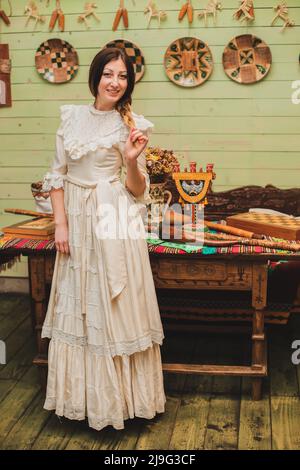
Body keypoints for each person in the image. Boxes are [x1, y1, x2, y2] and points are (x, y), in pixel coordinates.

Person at [41, 47, 166, 432]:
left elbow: (138, 190)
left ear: (130, 82)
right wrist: (60, 224)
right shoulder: (72, 117)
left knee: (114, 307)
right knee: (80, 305)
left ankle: (123, 404)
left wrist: (130, 159)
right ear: (95, 76)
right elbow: (57, 175)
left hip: (114, 221)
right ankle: (80, 402)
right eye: (109, 74)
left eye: (123, 76)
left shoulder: (130, 125)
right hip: (77, 222)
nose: (115, 82)